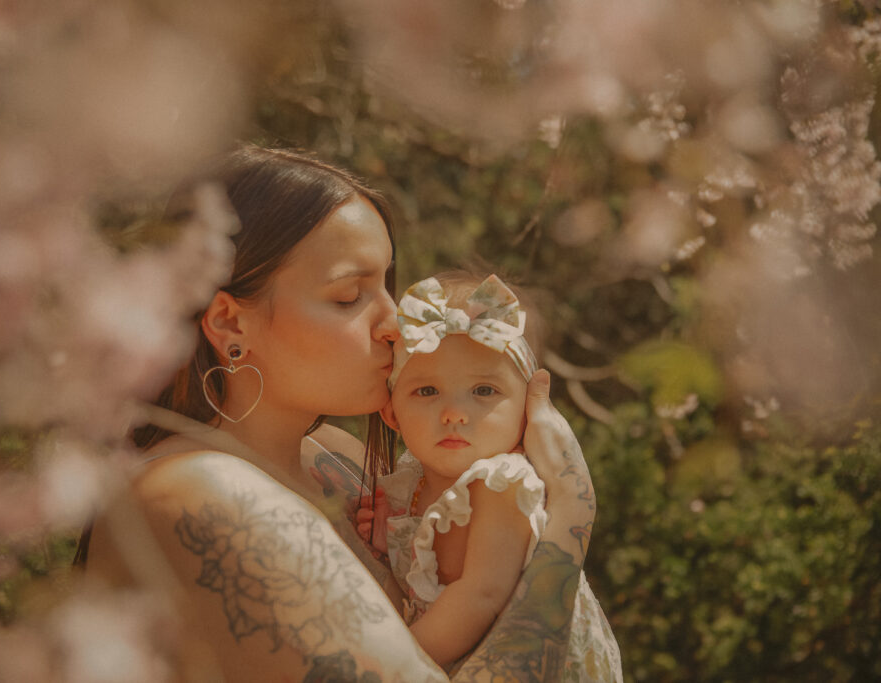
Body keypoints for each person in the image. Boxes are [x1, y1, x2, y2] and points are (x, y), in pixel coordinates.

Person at [79, 145, 602, 681]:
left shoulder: (338, 459)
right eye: (349, 296)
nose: (395, 324)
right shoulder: (199, 491)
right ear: (231, 325)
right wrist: (569, 522)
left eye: (386, 287)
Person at [356, 271, 623, 679]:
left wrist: (392, 665)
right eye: (427, 391)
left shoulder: (503, 483)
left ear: (528, 410)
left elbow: (481, 594)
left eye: (484, 391)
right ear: (392, 413)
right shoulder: (410, 484)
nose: (454, 413)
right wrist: (387, 544)